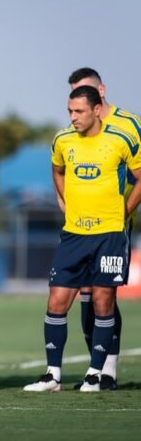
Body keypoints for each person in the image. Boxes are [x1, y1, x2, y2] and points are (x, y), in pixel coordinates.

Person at [24, 85, 141, 392]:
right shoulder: (63, 140)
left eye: (79, 111)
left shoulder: (122, 139)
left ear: (96, 110)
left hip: (109, 235)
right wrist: (65, 203)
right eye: (69, 111)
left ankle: (94, 373)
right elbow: (57, 170)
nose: (73, 117)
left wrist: (124, 212)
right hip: (74, 234)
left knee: (103, 302)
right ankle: (53, 375)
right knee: (57, 301)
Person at [66, 67, 141, 390]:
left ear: (102, 91)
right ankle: (95, 368)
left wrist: (123, 211)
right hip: (81, 225)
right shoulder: (76, 127)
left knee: (104, 293)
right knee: (85, 294)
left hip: (114, 225)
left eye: (86, 91)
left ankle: (107, 368)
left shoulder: (129, 125)